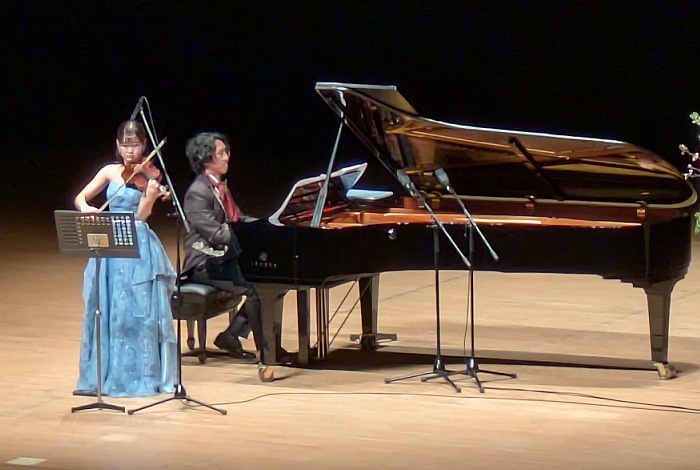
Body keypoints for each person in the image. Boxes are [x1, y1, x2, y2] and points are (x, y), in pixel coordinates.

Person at [73, 120, 177, 397]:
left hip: (137, 244)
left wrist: (151, 194)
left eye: (135, 145)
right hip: (109, 245)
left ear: (144, 146)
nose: (130, 151)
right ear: (118, 146)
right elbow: (81, 197)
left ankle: (136, 374)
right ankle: (102, 374)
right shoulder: (109, 171)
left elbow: (141, 216)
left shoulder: (149, 178)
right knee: (107, 308)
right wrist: (86, 208)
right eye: (125, 145)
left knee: (137, 311)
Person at [181, 131, 275, 382]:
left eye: (226, 152)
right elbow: (215, 234)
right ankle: (267, 354)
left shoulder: (219, 186)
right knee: (256, 289)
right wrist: (247, 235)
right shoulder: (197, 192)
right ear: (206, 158)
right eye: (221, 153)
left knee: (272, 281)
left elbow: (237, 218)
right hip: (203, 263)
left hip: (222, 258)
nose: (226, 157)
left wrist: (265, 225)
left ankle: (232, 335)